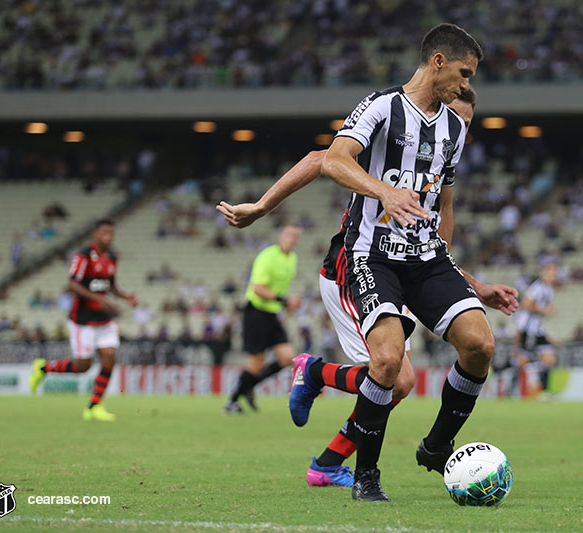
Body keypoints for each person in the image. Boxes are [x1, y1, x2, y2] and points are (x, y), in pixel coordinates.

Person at [293, 23, 513, 502]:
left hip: (426, 259)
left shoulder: (454, 127)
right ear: (438, 62)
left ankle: (436, 447)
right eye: (463, 73)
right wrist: (385, 191)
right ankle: (366, 478)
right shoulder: (382, 106)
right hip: (371, 255)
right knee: (389, 362)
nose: (467, 85)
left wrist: (463, 278)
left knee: (480, 344)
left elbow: (445, 204)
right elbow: (333, 160)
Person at [29, 219, 138, 421]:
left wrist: (125, 297)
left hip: (104, 320)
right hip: (83, 320)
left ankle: (94, 406)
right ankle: (43, 368)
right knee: (83, 366)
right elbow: (72, 284)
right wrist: (99, 299)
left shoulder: (112, 257)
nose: (109, 237)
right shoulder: (83, 256)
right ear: (95, 234)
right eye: (105, 232)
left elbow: (110, 285)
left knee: (109, 356)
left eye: (111, 233)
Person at [224, 225, 302, 413]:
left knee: (286, 357)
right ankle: (232, 401)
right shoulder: (267, 256)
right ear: (281, 236)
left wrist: (287, 304)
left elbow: (278, 290)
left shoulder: (292, 259)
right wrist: (284, 301)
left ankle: (249, 386)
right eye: (289, 235)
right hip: (256, 312)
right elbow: (258, 288)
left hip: (272, 313)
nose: (292, 239)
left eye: (295, 237)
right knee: (256, 363)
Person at [512, 263, 558, 394]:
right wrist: (544, 310)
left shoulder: (549, 289)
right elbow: (526, 303)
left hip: (538, 330)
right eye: (550, 273)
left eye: (554, 274)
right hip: (529, 329)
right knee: (522, 361)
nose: (552, 277)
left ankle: (545, 391)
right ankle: (511, 388)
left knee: (549, 358)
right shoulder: (538, 287)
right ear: (544, 273)